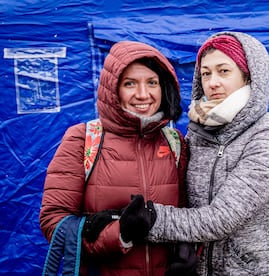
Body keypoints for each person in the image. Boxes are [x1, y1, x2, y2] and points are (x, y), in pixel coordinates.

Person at [126, 32, 269, 275]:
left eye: (224, 71)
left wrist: (151, 219)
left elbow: (222, 218)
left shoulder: (267, 134)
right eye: (206, 73)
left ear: (248, 75)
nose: (212, 82)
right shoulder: (198, 132)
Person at [39, 41, 195, 275]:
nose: (143, 94)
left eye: (152, 82)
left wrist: (188, 253)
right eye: (130, 83)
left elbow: (188, 214)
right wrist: (121, 234)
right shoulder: (83, 139)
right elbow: (55, 222)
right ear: (113, 89)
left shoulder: (174, 142)